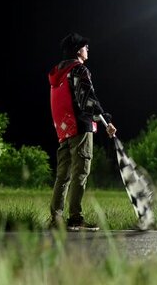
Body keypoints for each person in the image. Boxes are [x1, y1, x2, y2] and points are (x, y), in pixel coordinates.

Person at [47, 32, 117, 231]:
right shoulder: (79, 70)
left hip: (64, 131)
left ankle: (56, 219)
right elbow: (87, 100)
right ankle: (76, 219)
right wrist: (106, 122)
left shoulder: (57, 75)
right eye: (86, 47)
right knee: (80, 173)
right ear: (78, 50)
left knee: (63, 175)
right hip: (80, 128)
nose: (88, 50)